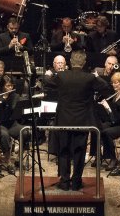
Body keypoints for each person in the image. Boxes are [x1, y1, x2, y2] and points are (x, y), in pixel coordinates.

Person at [43, 50, 108, 190]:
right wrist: (96, 75)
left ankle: (65, 182)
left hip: (64, 120)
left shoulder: (62, 76)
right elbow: (104, 86)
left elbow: (47, 82)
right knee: (79, 150)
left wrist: (47, 74)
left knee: (64, 150)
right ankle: (76, 182)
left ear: (71, 62)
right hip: (82, 121)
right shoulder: (89, 78)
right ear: (84, 63)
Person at [0, 75, 25, 173]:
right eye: (7, 86)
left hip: (11, 124)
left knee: (25, 131)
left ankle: (19, 158)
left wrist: (0, 102)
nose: (10, 88)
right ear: (3, 86)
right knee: (4, 134)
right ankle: (8, 161)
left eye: (11, 86)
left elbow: (12, 108)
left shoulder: (15, 96)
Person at [99, 72, 120, 173]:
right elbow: (114, 115)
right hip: (117, 122)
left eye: (116, 83)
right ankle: (103, 156)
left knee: (107, 132)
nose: (114, 85)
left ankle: (113, 158)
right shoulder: (116, 95)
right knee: (99, 127)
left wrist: (108, 107)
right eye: (113, 83)